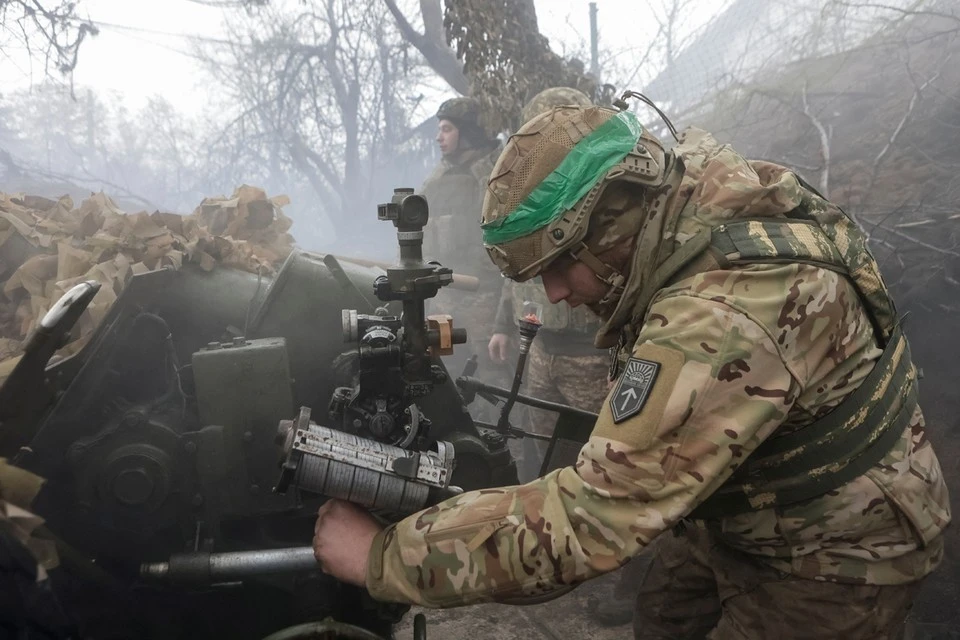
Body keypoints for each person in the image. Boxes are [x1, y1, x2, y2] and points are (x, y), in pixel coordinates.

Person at [313, 102, 951, 638]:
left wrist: (382, 555)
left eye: (561, 264)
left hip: (839, 548)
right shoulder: (678, 191)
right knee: (663, 614)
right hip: (742, 500)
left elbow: (587, 522)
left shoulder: (723, 318)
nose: (556, 294)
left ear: (611, 223)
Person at [419, 97, 503, 381]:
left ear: (468, 133)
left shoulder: (495, 176)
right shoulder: (437, 177)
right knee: (442, 373)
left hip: (485, 296)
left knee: (490, 376)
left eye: (447, 129)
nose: (438, 137)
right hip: (444, 293)